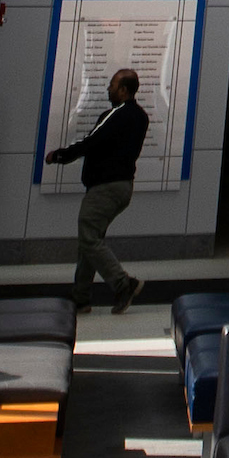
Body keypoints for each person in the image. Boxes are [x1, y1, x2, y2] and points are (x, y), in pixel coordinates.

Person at [47, 63, 149, 308]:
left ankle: (124, 284)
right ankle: (81, 297)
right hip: (122, 186)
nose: (108, 89)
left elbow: (91, 141)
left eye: (112, 85)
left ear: (124, 90)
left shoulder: (118, 114)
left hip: (106, 187)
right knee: (89, 242)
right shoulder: (141, 116)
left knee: (89, 239)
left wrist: (60, 155)